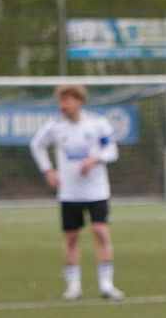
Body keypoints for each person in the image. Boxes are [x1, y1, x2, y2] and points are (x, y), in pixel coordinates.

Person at [29, 84, 124, 301]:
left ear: (79, 101)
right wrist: (48, 170)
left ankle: (106, 285)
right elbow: (36, 145)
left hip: (97, 190)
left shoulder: (98, 124)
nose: (63, 105)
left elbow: (112, 150)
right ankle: (73, 287)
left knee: (101, 232)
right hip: (69, 193)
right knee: (71, 237)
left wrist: (95, 159)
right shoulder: (55, 127)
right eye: (61, 101)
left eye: (68, 100)